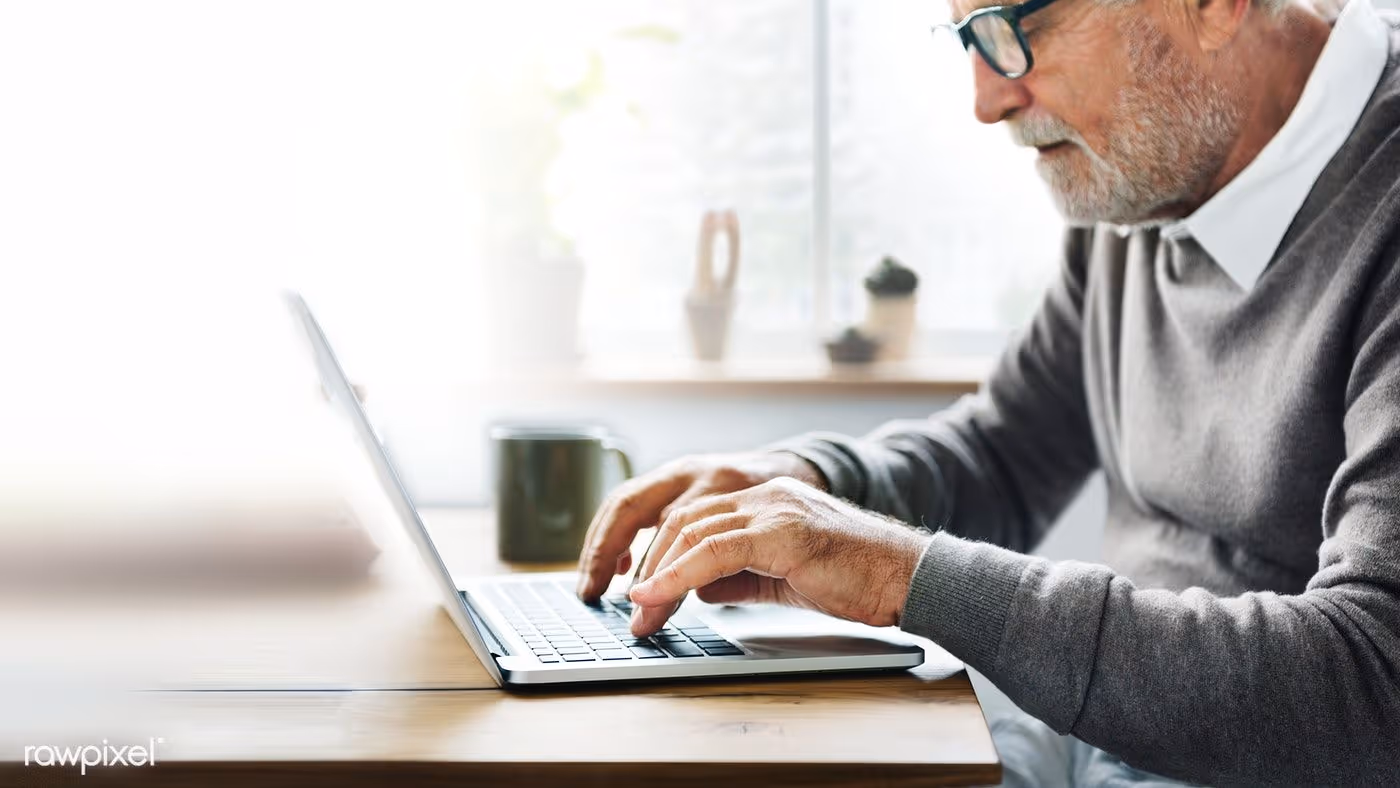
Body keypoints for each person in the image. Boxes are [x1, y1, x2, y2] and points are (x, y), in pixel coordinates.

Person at [576, 0, 1400, 783]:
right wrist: (805, 485)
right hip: (1093, 743)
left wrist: (904, 575)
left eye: (1022, 22)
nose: (986, 98)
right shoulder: (1151, 177)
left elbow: (1376, 684)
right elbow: (1005, 454)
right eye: (967, 32)